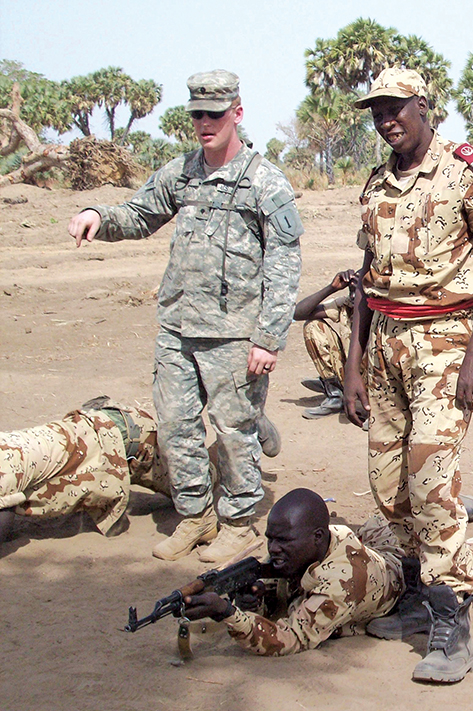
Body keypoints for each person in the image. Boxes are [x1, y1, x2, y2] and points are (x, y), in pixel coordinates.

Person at [67, 70, 303, 564]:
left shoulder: (264, 181)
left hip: (234, 335)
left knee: (235, 428)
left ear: (236, 113)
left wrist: (268, 337)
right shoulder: (181, 172)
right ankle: (196, 516)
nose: (204, 123)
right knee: (176, 427)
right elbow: (139, 214)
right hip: (177, 328)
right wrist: (97, 215)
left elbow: (284, 265)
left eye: (214, 114)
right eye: (196, 113)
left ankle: (238, 522)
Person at [343, 68, 473, 684]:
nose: (386, 118)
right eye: (376, 110)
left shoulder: (468, 168)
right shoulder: (376, 181)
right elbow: (366, 276)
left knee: (432, 478)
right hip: (386, 342)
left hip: (445, 341)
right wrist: (354, 366)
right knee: (388, 483)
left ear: (422, 106)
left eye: (395, 107)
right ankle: (415, 595)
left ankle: (451, 625)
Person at [182, 469, 473, 656]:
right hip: (377, 550)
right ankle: (455, 512)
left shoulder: (337, 585)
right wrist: (268, 587)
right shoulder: (327, 539)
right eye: (270, 541)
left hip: (408, 577)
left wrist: (231, 615)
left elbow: (290, 639)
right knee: (390, 516)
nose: (273, 551)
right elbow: (290, 577)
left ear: (316, 538)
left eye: (283, 542)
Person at [0, 398, 167, 546]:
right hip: (102, 426)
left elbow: (4, 525)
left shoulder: (6, 467)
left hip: (131, 439)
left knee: (188, 492)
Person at [293, 269, 358, 418]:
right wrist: (331, 288)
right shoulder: (347, 304)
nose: (354, 297)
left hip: (376, 375)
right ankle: (334, 392)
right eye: (351, 292)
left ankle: (376, 408)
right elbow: (299, 313)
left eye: (358, 291)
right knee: (313, 326)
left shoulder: (381, 309)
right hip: (351, 370)